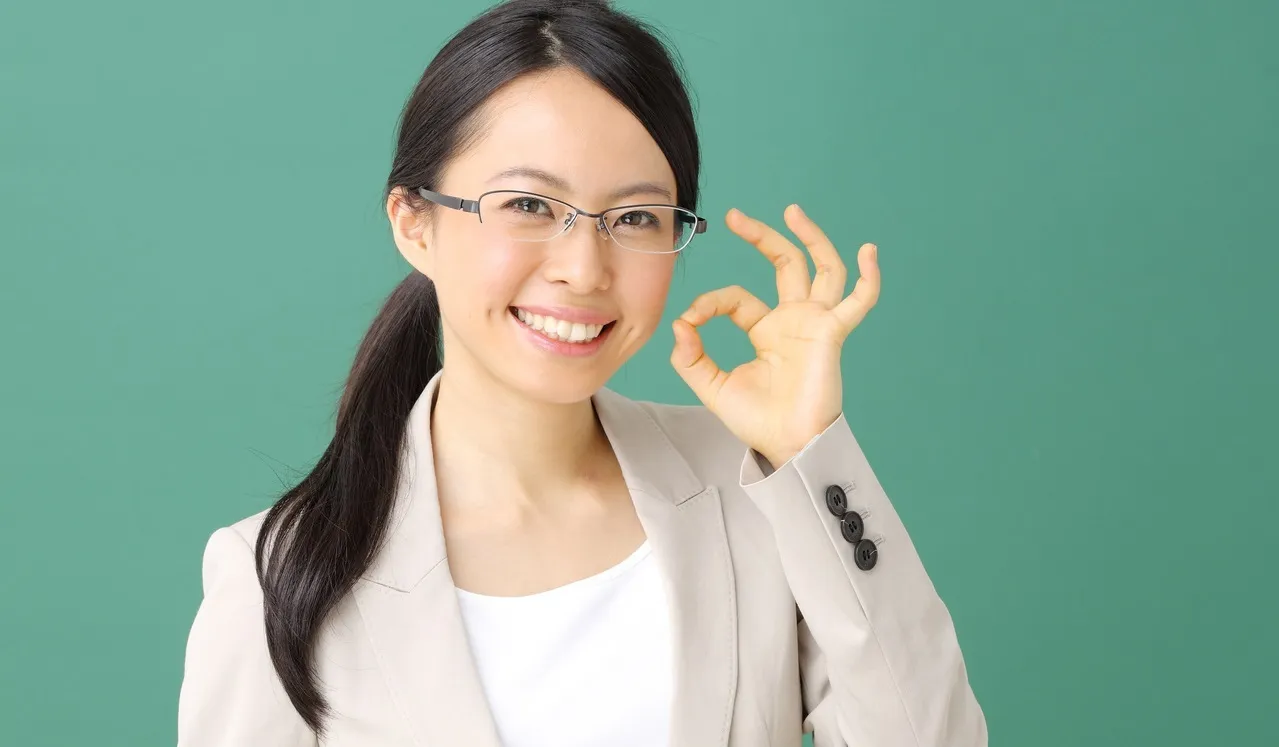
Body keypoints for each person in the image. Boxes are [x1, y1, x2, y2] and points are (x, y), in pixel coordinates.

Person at [176, 0, 987, 745]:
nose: (584, 268)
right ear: (415, 223)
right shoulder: (276, 578)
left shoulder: (753, 485)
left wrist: (811, 452)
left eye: (635, 217)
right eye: (529, 205)